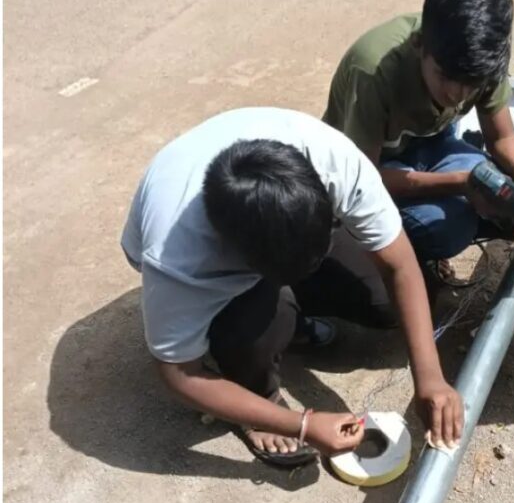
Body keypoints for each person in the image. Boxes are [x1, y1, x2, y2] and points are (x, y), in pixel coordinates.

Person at [121, 107, 463, 468]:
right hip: (212, 250)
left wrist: (430, 377)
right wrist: (301, 425)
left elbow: (399, 265)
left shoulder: (332, 160)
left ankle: (289, 316)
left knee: (386, 301)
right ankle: (259, 396)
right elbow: (178, 373)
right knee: (257, 326)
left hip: (275, 228)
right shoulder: (178, 257)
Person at [322, 0, 514, 283]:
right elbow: (362, 180)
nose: (458, 94)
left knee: (510, 195)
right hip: (361, 170)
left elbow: (503, 137)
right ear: (419, 45)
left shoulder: (482, 59)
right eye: (446, 77)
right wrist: (461, 183)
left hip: (427, 146)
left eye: (472, 84)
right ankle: (390, 262)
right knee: (449, 227)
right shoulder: (374, 70)